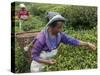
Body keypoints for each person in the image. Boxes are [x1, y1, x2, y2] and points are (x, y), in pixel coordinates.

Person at [27, 12, 96, 72]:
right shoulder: (41, 39)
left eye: (61, 27)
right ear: (51, 26)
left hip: (49, 62)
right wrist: (47, 62)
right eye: (58, 27)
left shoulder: (60, 35)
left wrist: (87, 44)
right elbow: (34, 56)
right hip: (38, 65)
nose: (60, 30)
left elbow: (72, 40)